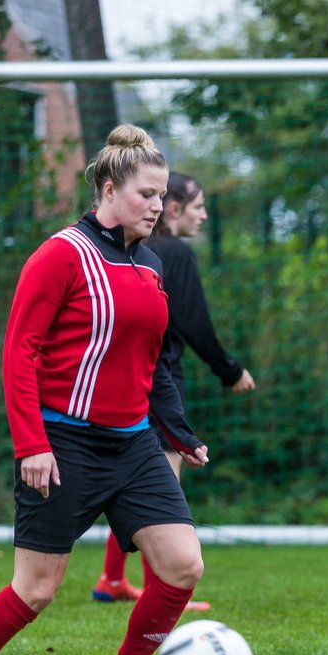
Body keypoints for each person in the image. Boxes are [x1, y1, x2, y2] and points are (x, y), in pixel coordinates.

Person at [0, 124, 209, 655]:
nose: (157, 206)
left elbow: (154, 361)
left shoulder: (150, 265)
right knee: (34, 592)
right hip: (63, 444)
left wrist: (180, 432)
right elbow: (19, 353)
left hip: (134, 444)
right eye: (146, 194)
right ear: (108, 190)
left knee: (182, 566)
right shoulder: (63, 254)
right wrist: (32, 444)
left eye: (163, 195)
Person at [92, 172, 256, 611]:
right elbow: (195, 324)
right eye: (198, 206)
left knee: (130, 485)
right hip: (159, 382)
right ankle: (163, 592)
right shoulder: (171, 253)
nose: (203, 215)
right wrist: (230, 370)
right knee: (160, 489)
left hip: (125, 383)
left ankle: (111, 578)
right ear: (176, 209)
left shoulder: (134, 252)